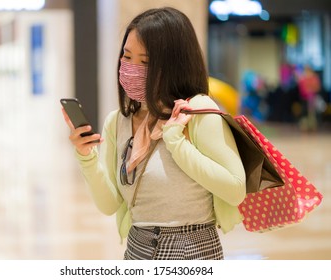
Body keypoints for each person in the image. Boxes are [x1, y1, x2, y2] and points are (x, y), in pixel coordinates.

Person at [62, 7, 246, 260]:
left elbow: (236, 189)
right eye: (126, 57)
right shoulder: (118, 122)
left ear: (174, 64)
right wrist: (86, 157)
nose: (131, 68)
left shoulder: (197, 112)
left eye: (146, 61)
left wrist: (176, 141)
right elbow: (109, 204)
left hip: (191, 249)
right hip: (137, 248)